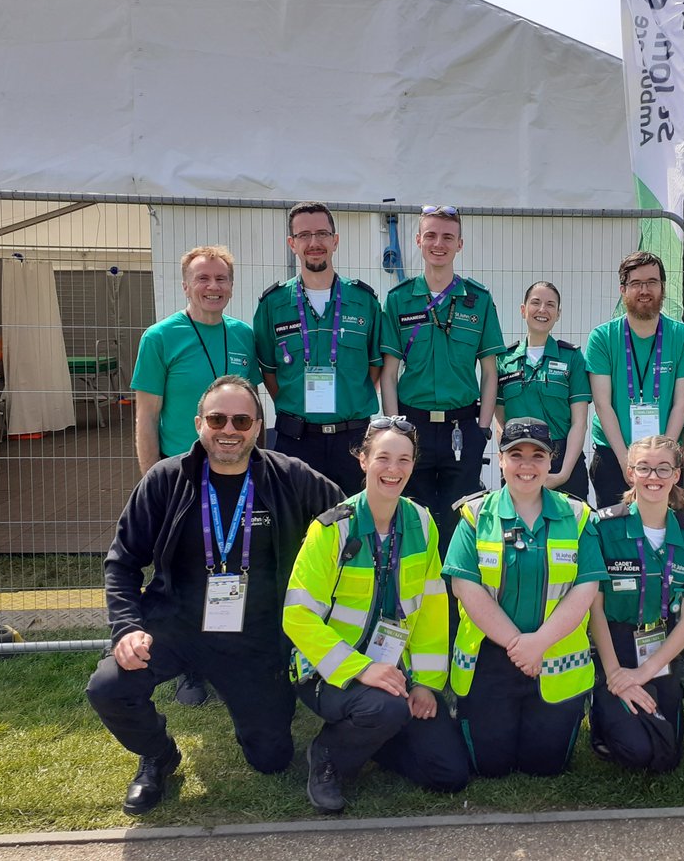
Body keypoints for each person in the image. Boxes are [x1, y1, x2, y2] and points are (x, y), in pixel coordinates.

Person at [85, 376, 343, 815]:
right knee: (109, 688)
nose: (229, 429)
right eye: (218, 419)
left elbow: (346, 524)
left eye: (241, 420)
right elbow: (123, 562)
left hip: (255, 638)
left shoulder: (289, 476)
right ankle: (159, 757)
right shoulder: (166, 480)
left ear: (258, 427)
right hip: (176, 624)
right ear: (199, 423)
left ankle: (251, 707)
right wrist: (127, 628)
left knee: (272, 760)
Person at [282, 417, 469, 813]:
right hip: (328, 670)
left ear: (413, 465)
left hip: (395, 673)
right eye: (383, 457)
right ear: (363, 460)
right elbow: (297, 616)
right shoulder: (332, 529)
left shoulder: (421, 523)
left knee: (448, 774)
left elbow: (433, 607)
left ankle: (375, 738)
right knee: (383, 708)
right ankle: (328, 756)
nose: (393, 469)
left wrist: (427, 685)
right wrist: (360, 669)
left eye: (404, 460)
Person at [131, 244, 262, 706]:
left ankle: (232, 654)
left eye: (221, 279)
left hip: (239, 474)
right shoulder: (160, 337)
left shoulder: (244, 335)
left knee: (238, 562)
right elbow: (146, 416)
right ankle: (190, 666)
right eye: (202, 279)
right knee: (187, 572)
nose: (212, 287)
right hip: (184, 477)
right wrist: (154, 482)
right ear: (185, 285)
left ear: (231, 285)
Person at [443, 418, 607, 777]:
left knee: (544, 766)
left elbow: (586, 588)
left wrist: (540, 644)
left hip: (555, 656)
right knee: (490, 765)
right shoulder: (474, 515)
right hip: (491, 657)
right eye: (516, 455)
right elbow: (465, 588)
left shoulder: (578, 516)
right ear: (501, 460)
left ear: (551, 461)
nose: (526, 465)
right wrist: (519, 644)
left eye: (537, 455)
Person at [380, 205, 506, 551]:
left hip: (462, 428)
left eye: (447, 237)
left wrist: (482, 428)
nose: (439, 243)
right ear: (419, 241)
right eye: (431, 235)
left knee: (459, 520)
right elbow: (389, 374)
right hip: (412, 426)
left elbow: (490, 371)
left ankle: (456, 600)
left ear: (459, 244)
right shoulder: (399, 300)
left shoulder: (478, 300)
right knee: (412, 518)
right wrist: (394, 427)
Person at [588, 435, 684, 772]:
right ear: (630, 473)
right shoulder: (602, 527)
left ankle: (629, 704)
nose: (653, 477)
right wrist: (616, 674)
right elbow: (593, 608)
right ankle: (601, 703)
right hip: (613, 644)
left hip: (661, 645)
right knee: (640, 751)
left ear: (676, 475)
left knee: (667, 755)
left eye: (663, 469)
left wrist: (644, 673)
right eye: (644, 468)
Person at [254, 202, 383, 494]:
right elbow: (269, 371)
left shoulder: (364, 301)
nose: (314, 243)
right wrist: (297, 407)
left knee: (353, 525)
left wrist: (348, 400)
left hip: (353, 441)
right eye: (304, 235)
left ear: (335, 241)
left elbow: (376, 365)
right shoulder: (273, 304)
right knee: (296, 527)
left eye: (323, 234)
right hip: (296, 439)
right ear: (292, 243)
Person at [586, 251, 684, 508]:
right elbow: (603, 405)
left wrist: (662, 462)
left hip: (666, 462)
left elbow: (682, 404)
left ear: (663, 287)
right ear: (623, 289)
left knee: (663, 535)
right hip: (615, 455)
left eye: (651, 282)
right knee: (615, 537)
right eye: (636, 284)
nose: (644, 290)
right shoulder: (602, 338)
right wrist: (628, 462)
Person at [495, 281, 591, 500]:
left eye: (550, 305)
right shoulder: (504, 360)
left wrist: (563, 473)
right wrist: (507, 462)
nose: (542, 310)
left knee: (570, 528)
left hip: (563, 459)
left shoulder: (572, 358)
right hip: (519, 461)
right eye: (535, 302)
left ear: (558, 314)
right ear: (523, 310)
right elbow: (499, 420)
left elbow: (579, 422)